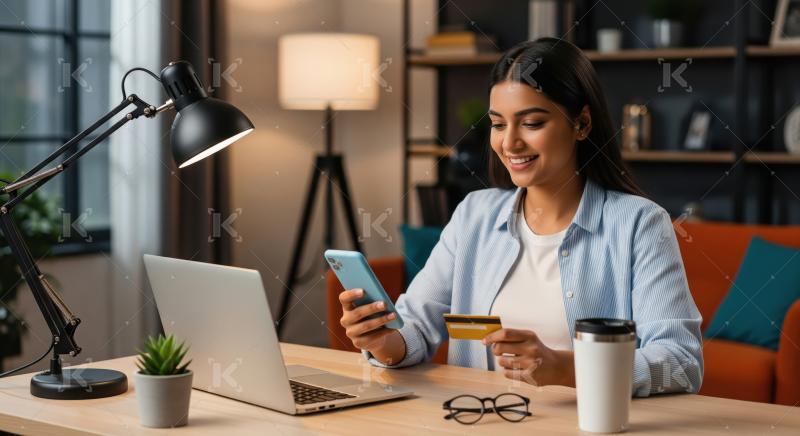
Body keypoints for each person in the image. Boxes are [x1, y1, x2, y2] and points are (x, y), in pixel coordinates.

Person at [337, 38, 703, 397]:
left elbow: (680, 362)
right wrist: (383, 341)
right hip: (476, 423)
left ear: (582, 124)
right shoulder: (474, 215)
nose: (509, 144)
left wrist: (567, 369)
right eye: (498, 124)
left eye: (531, 123)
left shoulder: (640, 224)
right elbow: (415, 326)